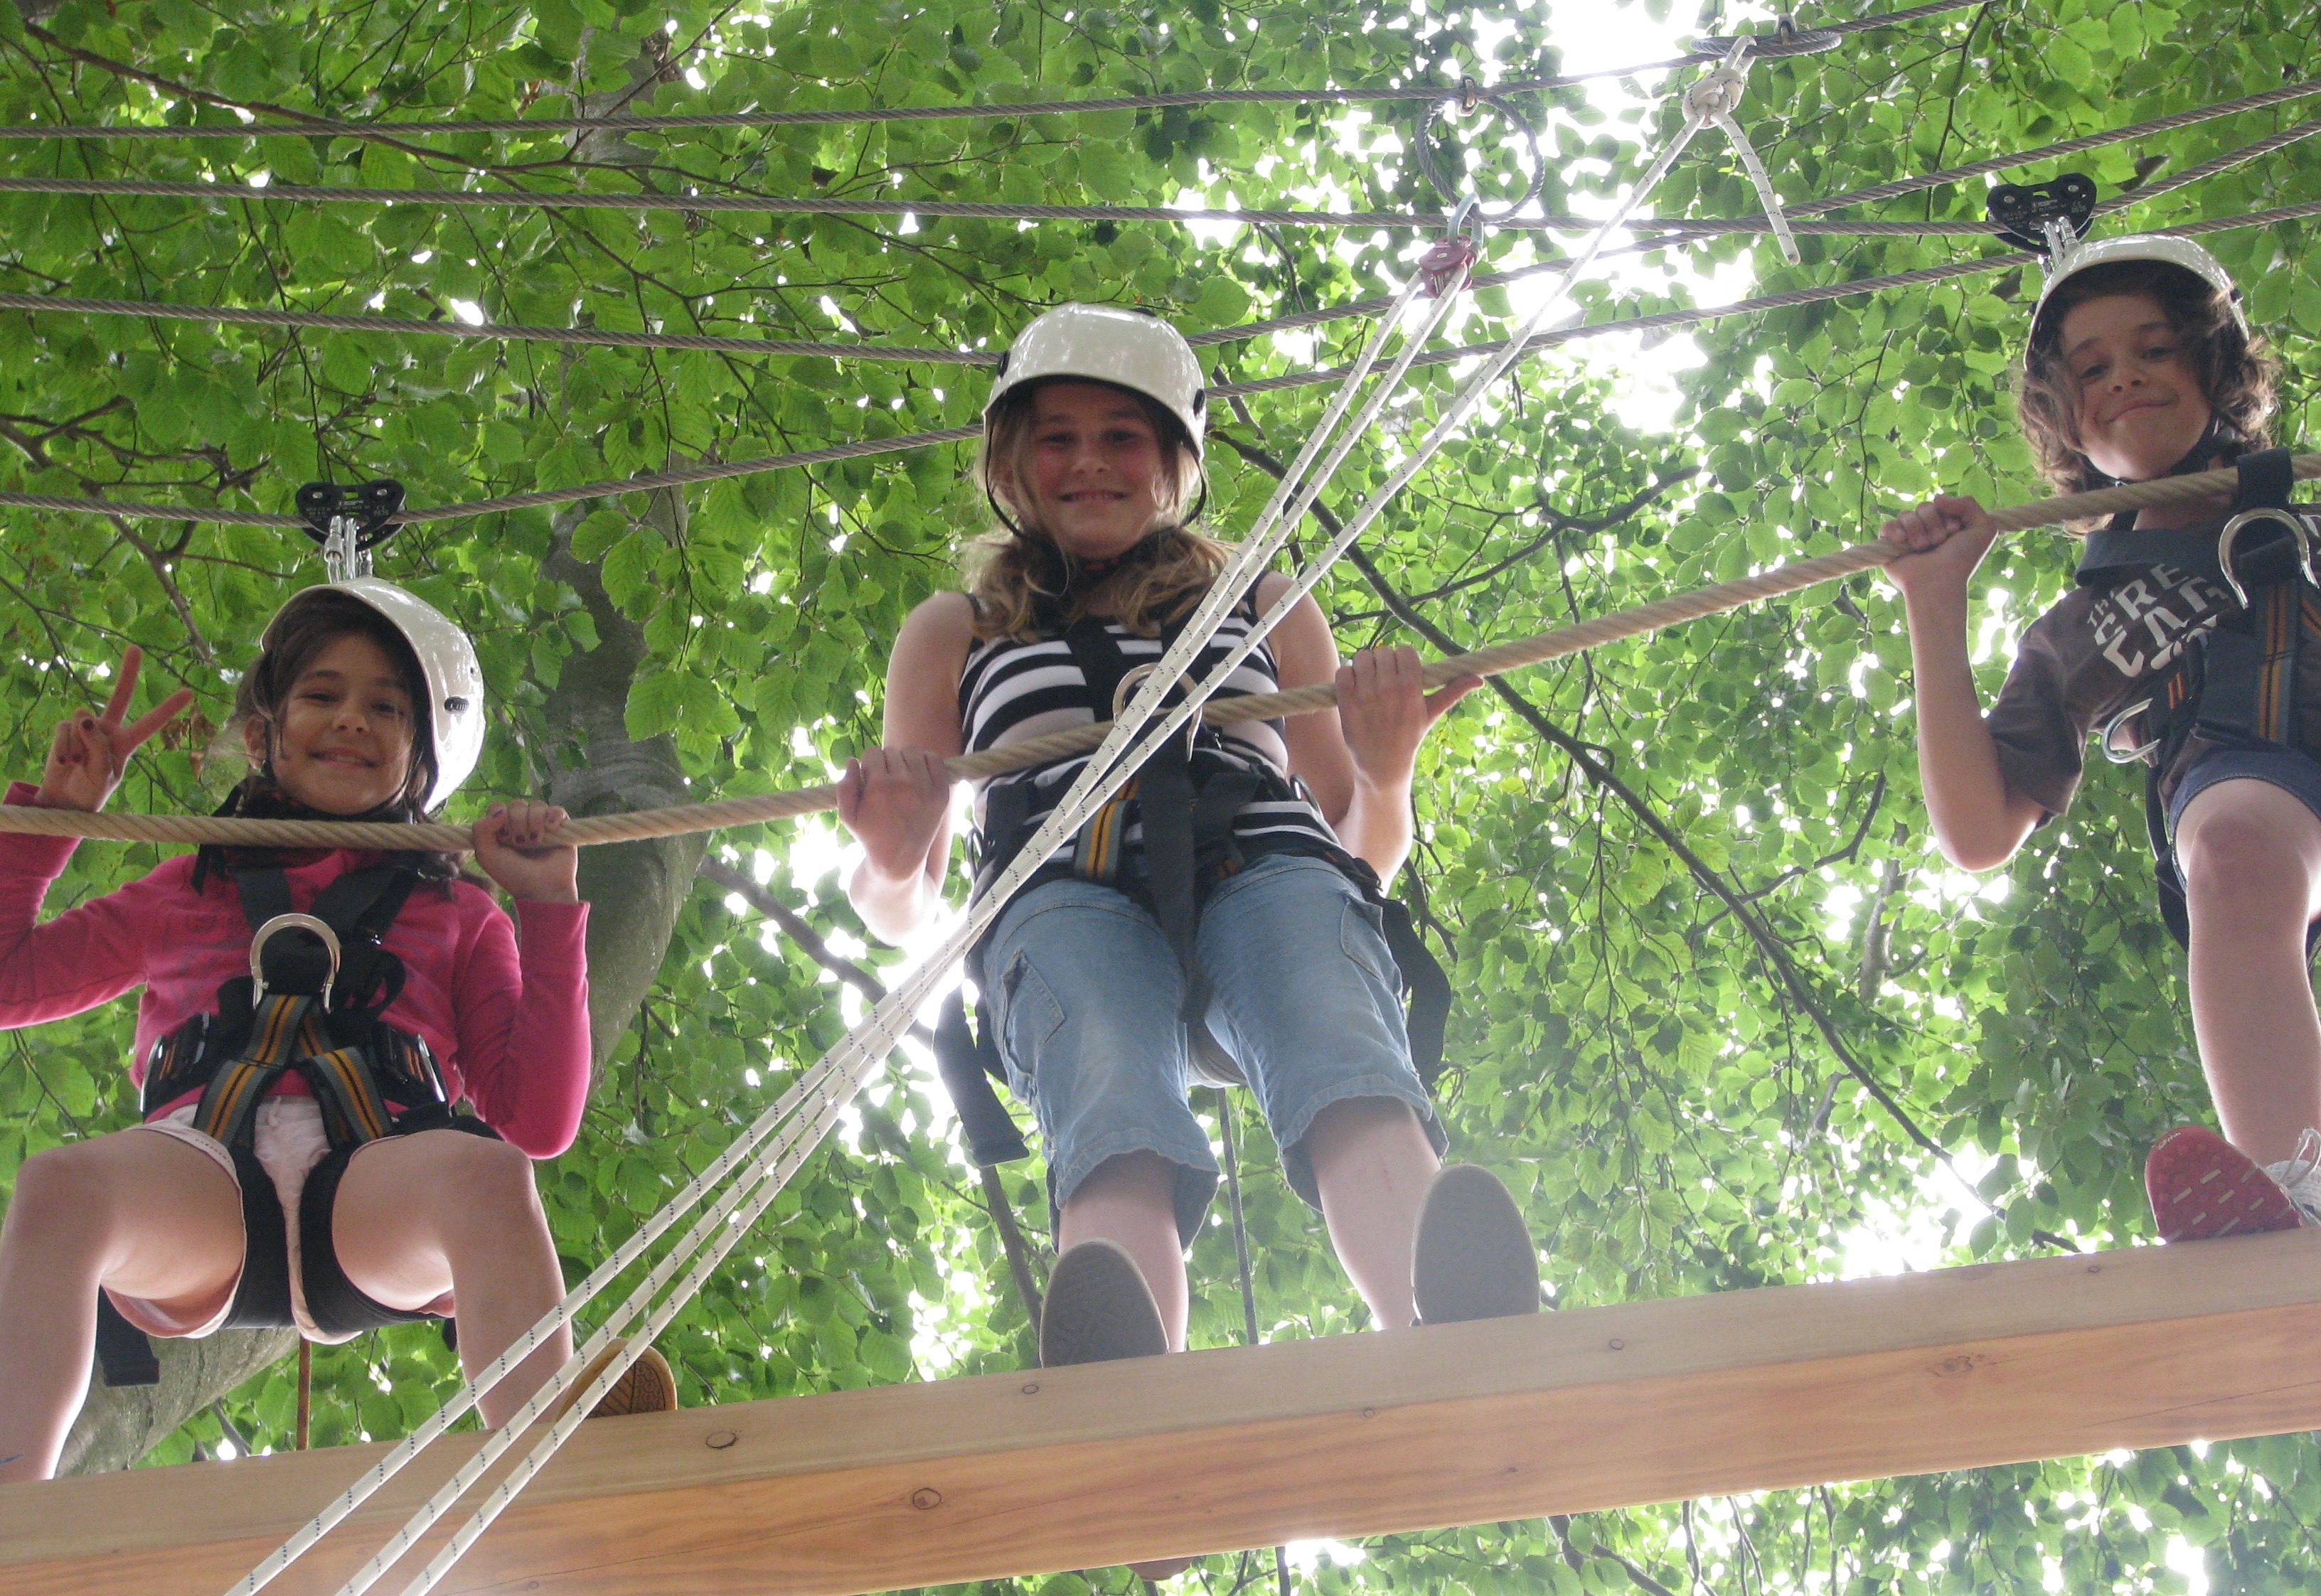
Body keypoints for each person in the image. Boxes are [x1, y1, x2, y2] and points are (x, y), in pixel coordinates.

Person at [840, 303, 1542, 1408]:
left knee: (1331, 1021)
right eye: (1057, 437)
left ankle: (1447, 1333)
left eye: (1123, 436)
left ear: (1173, 464)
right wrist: (890, 849)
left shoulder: (1263, 605)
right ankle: (1129, 1402)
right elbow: (899, 904)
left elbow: (1365, 844)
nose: (1088, 463)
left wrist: (1387, 769)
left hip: (1264, 867)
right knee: (1107, 1074)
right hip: (1059, 892)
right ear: (1015, 463)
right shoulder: (960, 628)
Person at [0, 582, 672, 1482]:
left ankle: (542, 1484)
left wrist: (549, 904)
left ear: (418, 762)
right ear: (262, 735)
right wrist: (50, 825)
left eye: (386, 708)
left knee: (488, 1172)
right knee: (60, 1187)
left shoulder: (458, 912)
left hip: (373, 1188)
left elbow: (536, 1121)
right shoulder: (184, 892)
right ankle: (16, 1504)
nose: (352, 720)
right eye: (323, 696)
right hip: (203, 1183)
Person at [1877, 229, 2321, 1239]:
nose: (2124, 377)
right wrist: (1933, 604)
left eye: (2154, 349)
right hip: (2261, 784)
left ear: (2214, 369)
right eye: (2091, 369)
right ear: (2066, 419)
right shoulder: (2093, 626)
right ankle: (2298, 1196)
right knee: (2233, 852)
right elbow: (1981, 831)